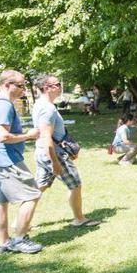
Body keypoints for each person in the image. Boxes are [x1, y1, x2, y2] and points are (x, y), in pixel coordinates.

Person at [0, 70, 43, 254]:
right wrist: (29, 135)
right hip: (7, 159)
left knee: (1, 201)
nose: (23, 90)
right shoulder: (4, 105)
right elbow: (2, 136)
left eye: (24, 86)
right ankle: (19, 240)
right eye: (20, 86)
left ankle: (3, 242)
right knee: (32, 194)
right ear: (6, 85)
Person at [32, 74, 98, 227]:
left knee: (39, 187)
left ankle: (21, 223)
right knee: (75, 184)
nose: (60, 87)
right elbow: (46, 137)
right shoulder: (47, 108)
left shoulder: (40, 104)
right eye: (57, 84)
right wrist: (55, 162)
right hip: (53, 153)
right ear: (47, 88)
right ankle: (79, 219)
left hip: (42, 152)